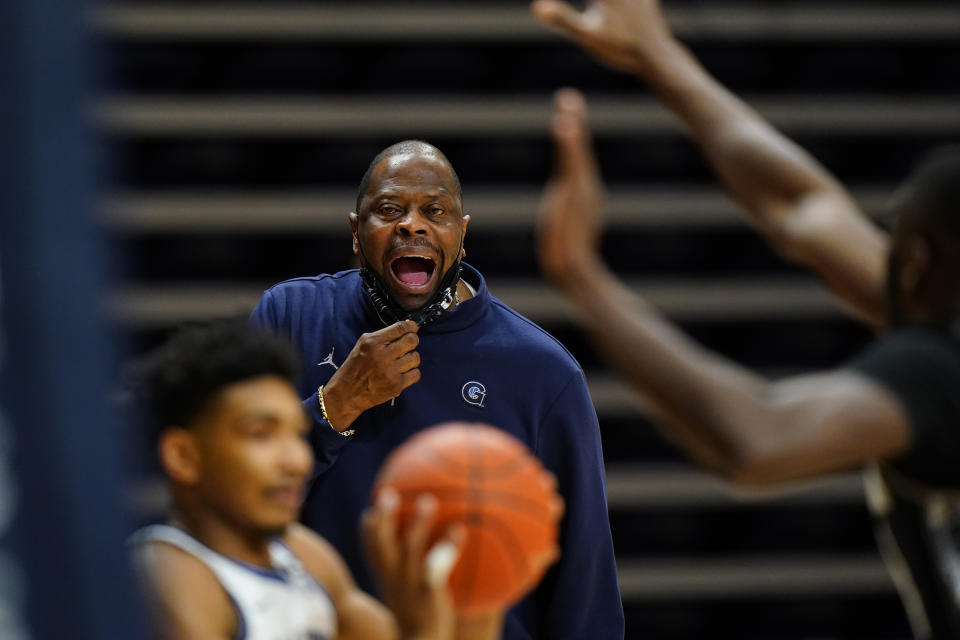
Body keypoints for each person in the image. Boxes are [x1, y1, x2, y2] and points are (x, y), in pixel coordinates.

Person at [530, 1, 960, 638]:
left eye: (893, 239)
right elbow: (803, 210)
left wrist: (582, 280)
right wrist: (659, 56)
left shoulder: (938, 371)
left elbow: (756, 440)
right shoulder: (939, 312)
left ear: (917, 264)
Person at [249, 140, 624, 640]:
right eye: (388, 210)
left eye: (435, 210)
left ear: (461, 236)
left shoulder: (543, 372)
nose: (412, 224)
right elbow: (231, 485)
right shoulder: (289, 317)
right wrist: (336, 404)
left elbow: (585, 578)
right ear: (356, 233)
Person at [127, 319, 498, 640]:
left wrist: (476, 605)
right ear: (183, 455)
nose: (296, 461)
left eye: (296, 433)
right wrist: (425, 631)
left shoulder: (306, 556)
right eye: (261, 434)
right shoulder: (166, 575)